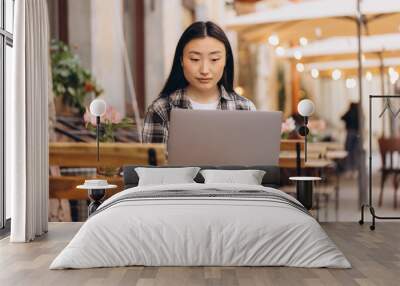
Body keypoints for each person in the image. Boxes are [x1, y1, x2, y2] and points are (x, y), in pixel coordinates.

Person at [142, 21, 256, 144]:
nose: (204, 70)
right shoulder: (161, 110)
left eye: (214, 59)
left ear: (225, 61)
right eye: (195, 59)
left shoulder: (244, 109)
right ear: (181, 60)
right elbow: (154, 163)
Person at [341, 102, 359, 176]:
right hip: (357, 133)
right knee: (355, 152)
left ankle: (348, 169)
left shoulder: (349, 112)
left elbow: (342, 117)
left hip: (350, 132)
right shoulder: (359, 113)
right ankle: (355, 170)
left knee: (348, 151)